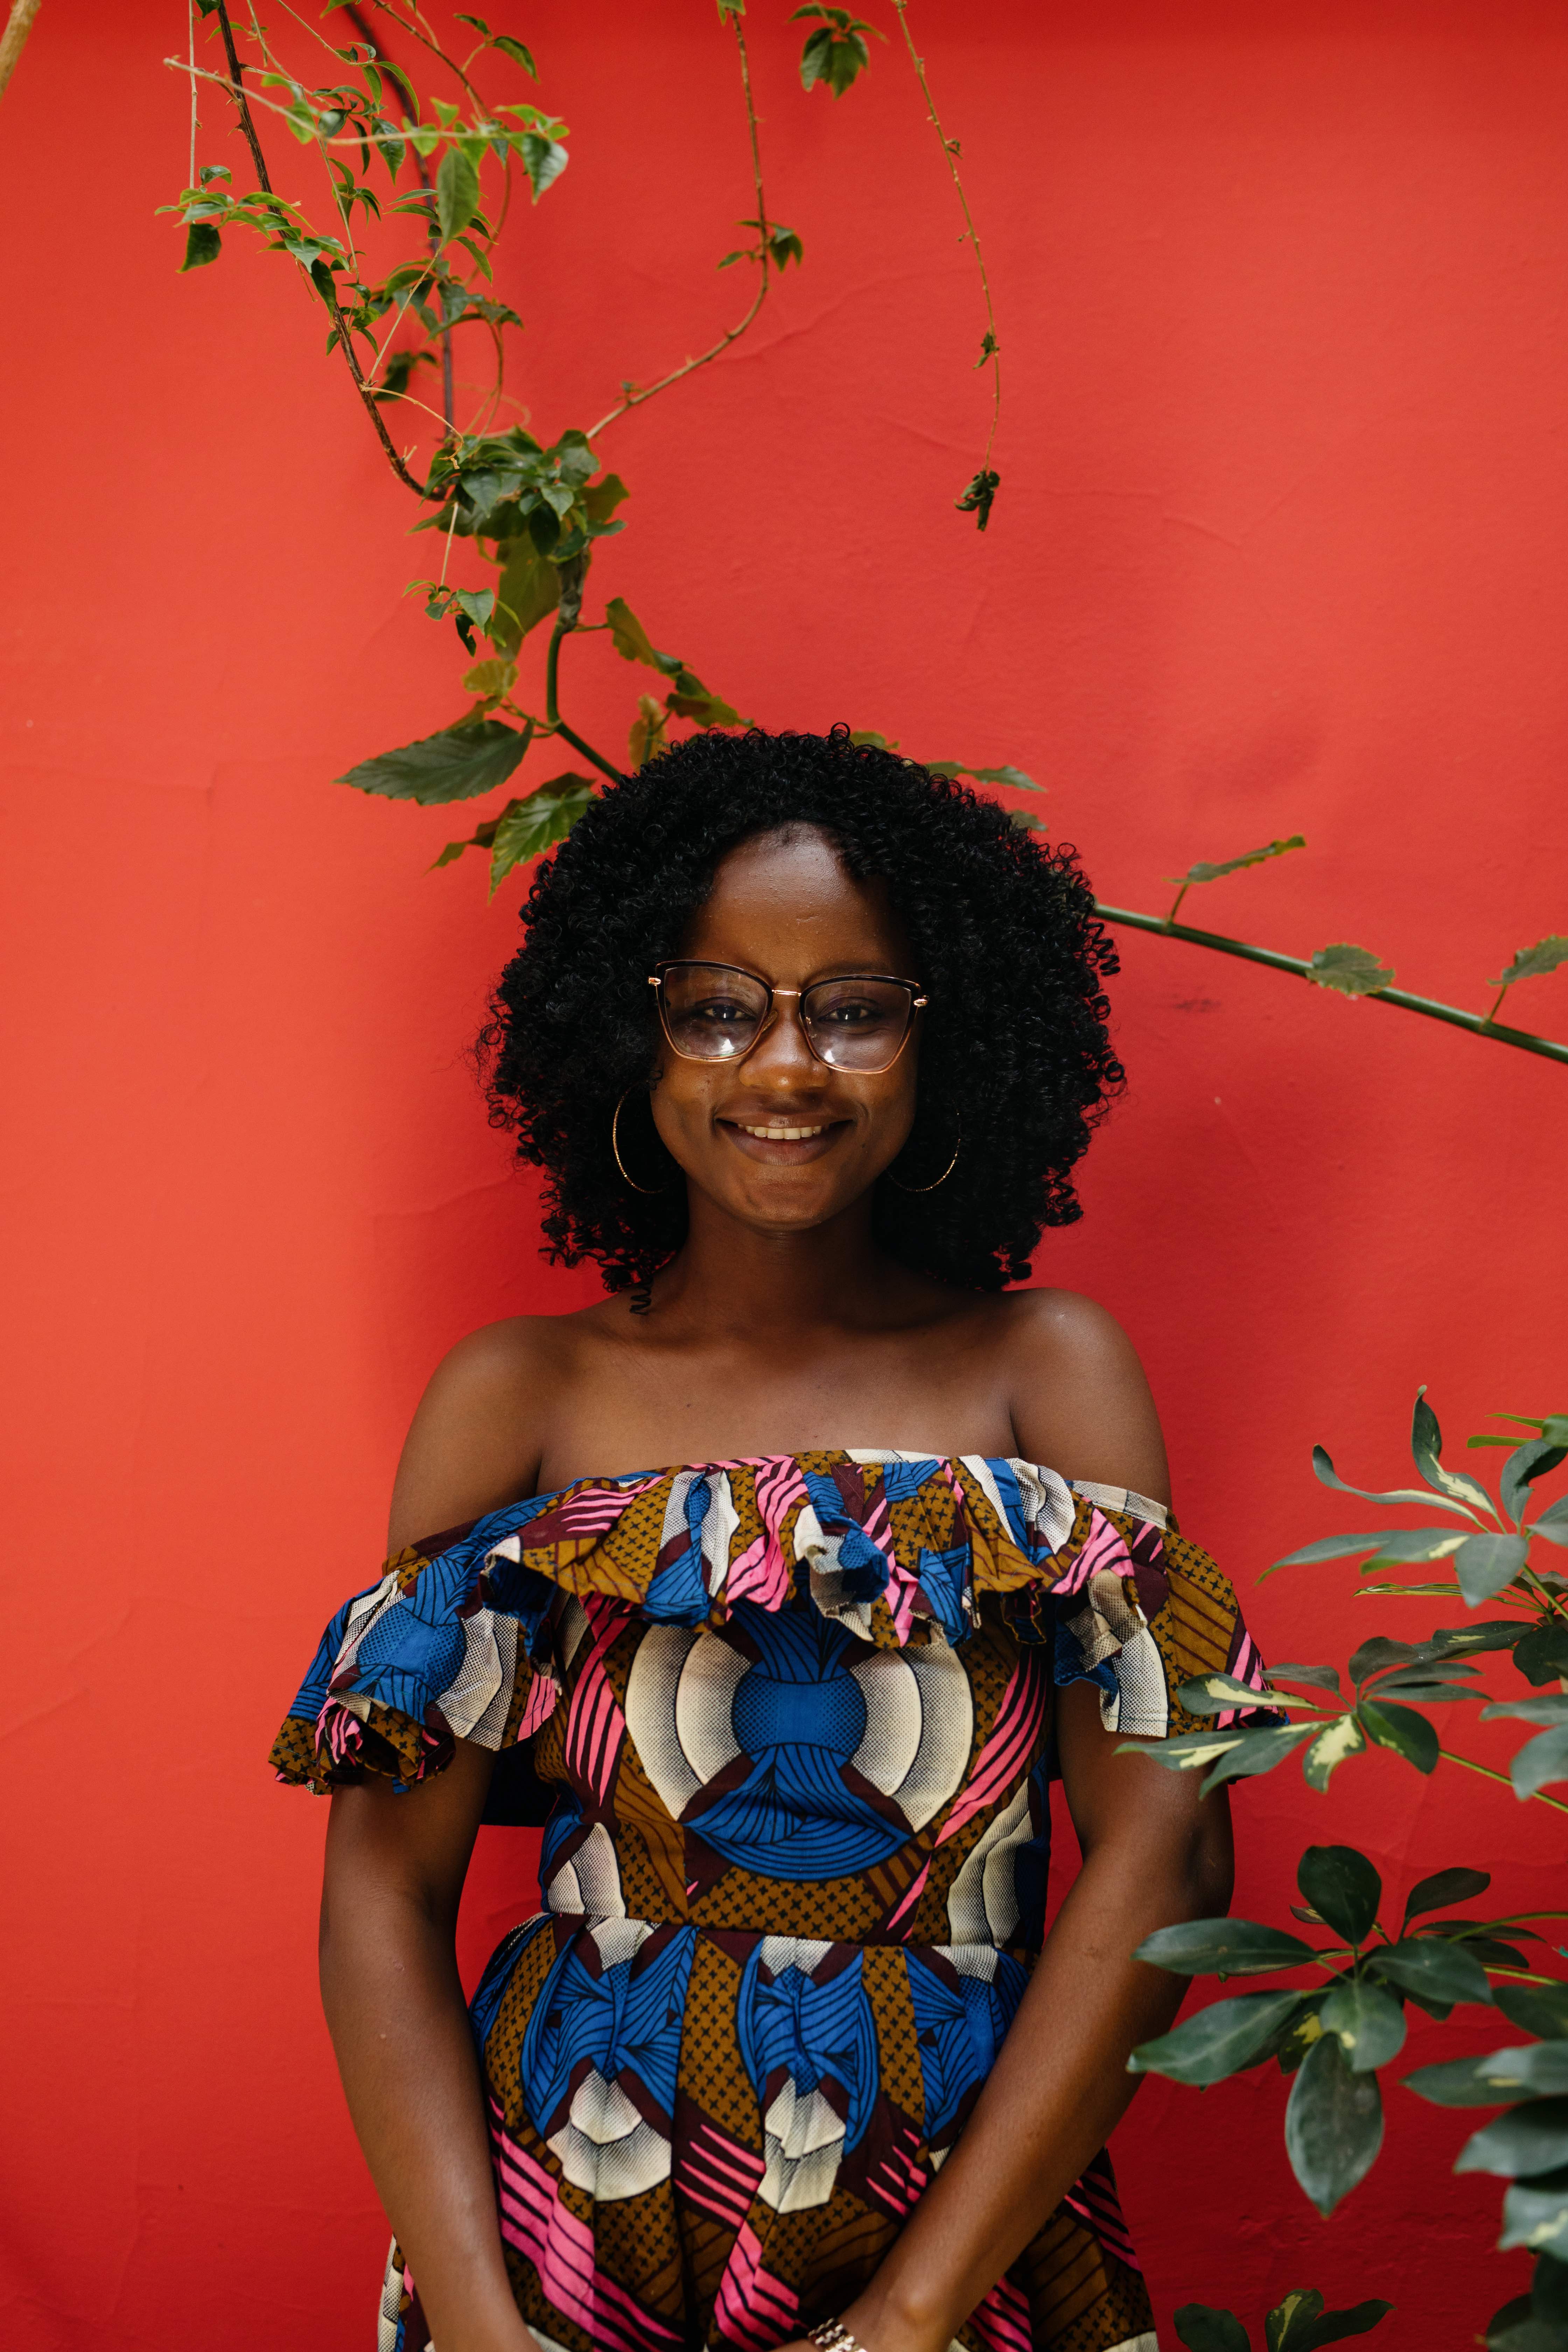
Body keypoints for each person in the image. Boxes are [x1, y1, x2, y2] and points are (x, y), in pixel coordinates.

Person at [273, 726, 1270, 2352]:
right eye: (717, 1006)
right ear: (632, 1036)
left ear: (946, 1038)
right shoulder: (520, 1396)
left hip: (951, 2228)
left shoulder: (1045, 1374)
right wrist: (474, 2319)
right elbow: (382, 1893)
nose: (787, 1067)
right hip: (558, 2229)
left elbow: (1170, 1855)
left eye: (855, 1008)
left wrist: (913, 2317)